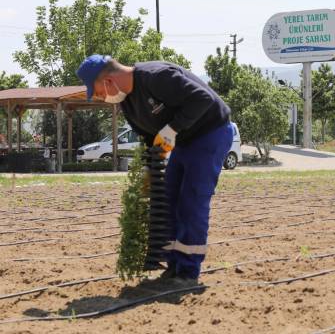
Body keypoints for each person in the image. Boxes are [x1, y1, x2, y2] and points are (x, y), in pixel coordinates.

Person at [77, 54, 234, 285]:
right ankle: (173, 265)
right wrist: (151, 170)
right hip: (184, 141)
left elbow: (202, 99)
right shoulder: (127, 103)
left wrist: (172, 128)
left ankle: (188, 271)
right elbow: (150, 136)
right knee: (167, 198)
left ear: (109, 81)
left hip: (211, 133)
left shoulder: (156, 77)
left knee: (192, 200)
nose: (99, 97)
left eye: (97, 90)